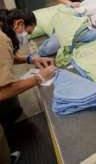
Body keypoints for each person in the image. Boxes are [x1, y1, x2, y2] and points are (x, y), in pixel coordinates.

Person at [0, 9, 55, 164]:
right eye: (27, 32)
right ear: (19, 23)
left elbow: (6, 56)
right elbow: (2, 92)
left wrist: (30, 59)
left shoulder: (3, 28)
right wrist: (39, 77)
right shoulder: (2, 38)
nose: (26, 37)